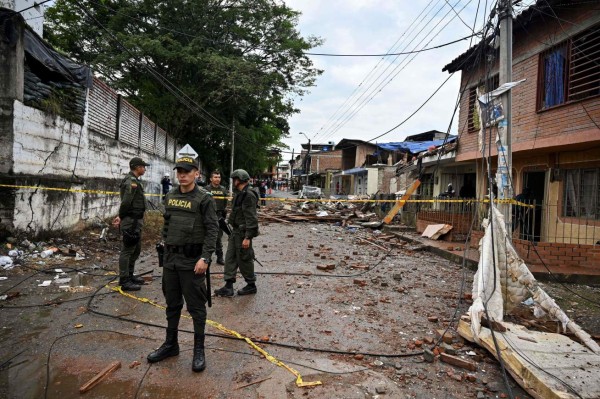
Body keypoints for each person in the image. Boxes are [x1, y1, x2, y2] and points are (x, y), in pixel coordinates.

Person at [147, 156, 218, 372]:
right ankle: (171, 345)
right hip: (171, 261)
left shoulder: (204, 198)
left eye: (187, 171)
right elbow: (167, 224)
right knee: (172, 304)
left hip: (192, 262)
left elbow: (212, 230)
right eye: (179, 171)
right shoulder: (171, 195)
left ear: (197, 173)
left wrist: (205, 258)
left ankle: (199, 350)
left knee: (196, 308)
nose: (182, 175)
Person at [214, 169, 259, 297]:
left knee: (244, 259)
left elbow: (251, 218)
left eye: (234, 179)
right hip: (235, 232)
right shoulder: (239, 193)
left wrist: (248, 237)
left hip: (243, 233)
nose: (233, 181)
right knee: (230, 258)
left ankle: (251, 285)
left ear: (239, 179)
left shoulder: (248, 195)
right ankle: (228, 286)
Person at [112, 157, 150, 291]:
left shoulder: (135, 181)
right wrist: (121, 217)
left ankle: (130, 275)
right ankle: (124, 280)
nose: (145, 169)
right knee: (128, 249)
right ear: (137, 167)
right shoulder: (131, 182)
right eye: (143, 166)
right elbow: (126, 202)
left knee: (136, 249)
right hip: (131, 220)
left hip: (136, 220)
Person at [207, 170, 229, 265]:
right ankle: (207, 258)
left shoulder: (223, 189)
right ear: (211, 179)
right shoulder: (206, 189)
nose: (217, 179)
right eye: (215, 177)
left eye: (219, 177)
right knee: (207, 237)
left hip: (219, 216)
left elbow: (225, 204)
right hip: (208, 216)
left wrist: (223, 215)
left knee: (218, 237)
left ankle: (219, 257)